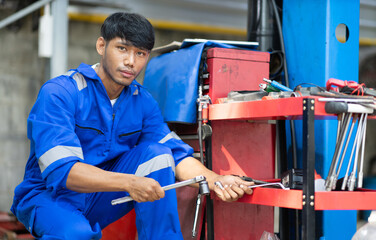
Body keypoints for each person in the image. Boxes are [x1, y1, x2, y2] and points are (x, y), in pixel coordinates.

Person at [11, 12, 254, 240]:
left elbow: (177, 156)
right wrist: (129, 183)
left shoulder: (142, 101)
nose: (130, 62)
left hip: (101, 196)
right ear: (101, 46)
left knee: (158, 155)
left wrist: (218, 181)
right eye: (122, 49)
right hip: (49, 196)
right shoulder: (61, 92)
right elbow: (62, 171)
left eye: (140, 53)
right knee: (76, 233)